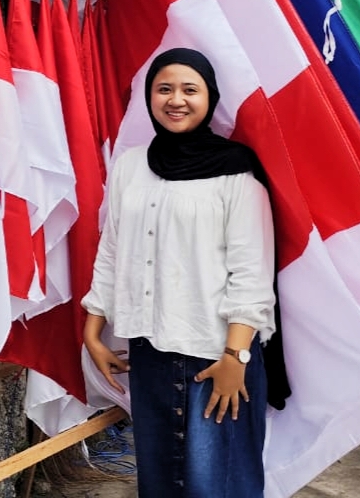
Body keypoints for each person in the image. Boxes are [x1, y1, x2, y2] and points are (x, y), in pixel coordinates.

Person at [81, 47, 278, 497]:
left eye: (190, 89)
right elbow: (112, 249)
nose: (176, 99)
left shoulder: (235, 170)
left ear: (209, 97)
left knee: (217, 484)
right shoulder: (131, 164)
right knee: (162, 482)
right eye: (163, 88)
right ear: (149, 97)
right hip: (150, 349)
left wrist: (236, 359)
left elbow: (251, 272)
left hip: (217, 353)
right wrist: (93, 332)